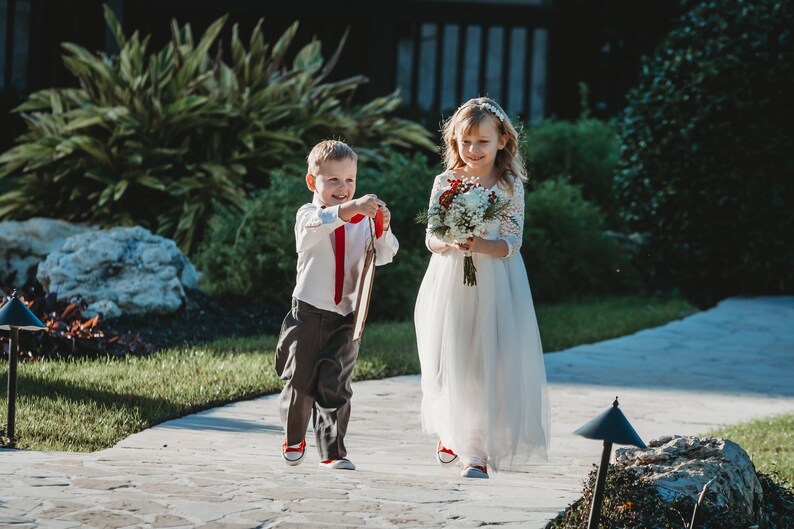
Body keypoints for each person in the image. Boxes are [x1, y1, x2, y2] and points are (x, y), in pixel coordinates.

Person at [415, 97, 550, 479]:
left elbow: (512, 241)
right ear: (454, 142)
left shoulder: (508, 186)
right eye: (465, 142)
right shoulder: (446, 182)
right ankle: (453, 431)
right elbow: (431, 236)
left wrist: (480, 244)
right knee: (452, 358)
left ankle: (476, 451)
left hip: (496, 285)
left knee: (486, 361)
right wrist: (452, 241)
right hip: (451, 282)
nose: (473, 150)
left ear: (503, 141)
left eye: (483, 142)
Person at [275, 139, 399, 470]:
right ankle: (294, 436)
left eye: (350, 180)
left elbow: (385, 255)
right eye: (333, 180)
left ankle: (333, 451)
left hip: (348, 314)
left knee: (335, 382)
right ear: (312, 182)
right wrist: (352, 208)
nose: (343, 188)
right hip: (309, 312)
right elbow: (320, 224)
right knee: (300, 380)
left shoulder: (362, 222)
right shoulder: (309, 215)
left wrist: (382, 228)